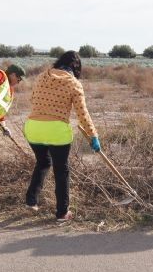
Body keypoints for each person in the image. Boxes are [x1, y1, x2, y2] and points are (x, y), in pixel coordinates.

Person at [23, 50, 100, 222]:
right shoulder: (73, 83)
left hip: (33, 127)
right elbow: (82, 113)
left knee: (43, 162)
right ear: (75, 66)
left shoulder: (42, 76)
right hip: (57, 130)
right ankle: (62, 213)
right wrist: (93, 135)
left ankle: (31, 199)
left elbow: (33, 100)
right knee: (61, 170)